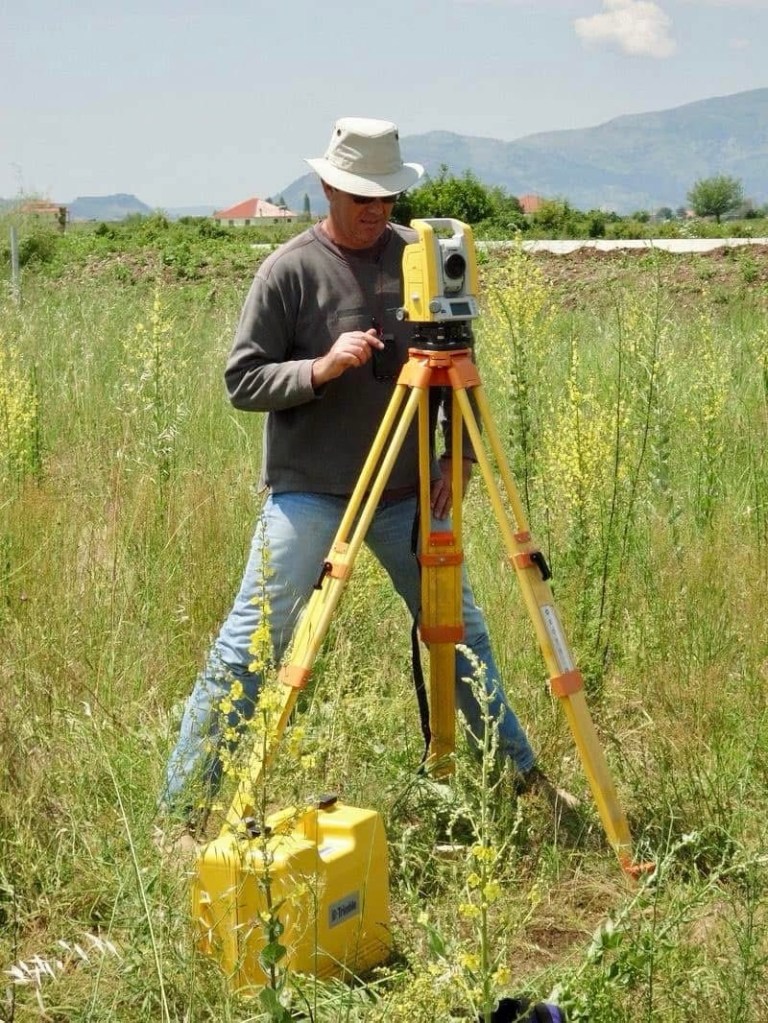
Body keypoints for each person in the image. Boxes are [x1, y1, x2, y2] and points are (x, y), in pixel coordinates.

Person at [161, 117, 570, 836]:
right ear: (328, 188)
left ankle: (523, 781)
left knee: (461, 635)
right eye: (361, 196)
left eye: (386, 196)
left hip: (407, 494)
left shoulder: (423, 257)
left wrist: (458, 459)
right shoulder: (288, 270)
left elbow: (460, 364)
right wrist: (320, 368)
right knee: (251, 643)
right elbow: (242, 381)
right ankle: (183, 812)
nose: (376, 209)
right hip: (311, 494)